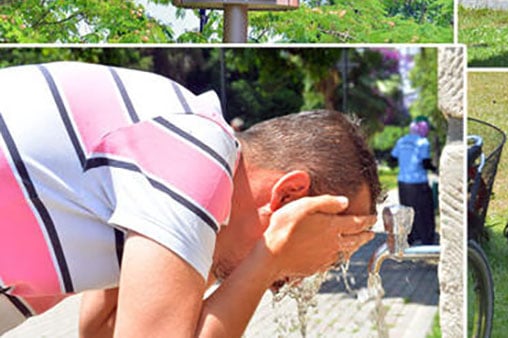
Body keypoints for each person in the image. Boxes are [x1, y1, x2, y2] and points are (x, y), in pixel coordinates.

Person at [0, 61, 382, 336]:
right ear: (289, 196)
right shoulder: (197, 150)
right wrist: (270, 257)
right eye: (335, 248)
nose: (303, 279)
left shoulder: (172, 177)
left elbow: (102, 329)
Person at [390, 117, 437, 245]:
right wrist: (436, 169)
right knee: (424, 210)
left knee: (407, 210)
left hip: (403, 182)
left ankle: (410, 238)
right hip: (418, 182)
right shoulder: (423, 142)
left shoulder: (401, 141)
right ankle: (426, 239)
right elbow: (426, 163)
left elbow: (392, 159)